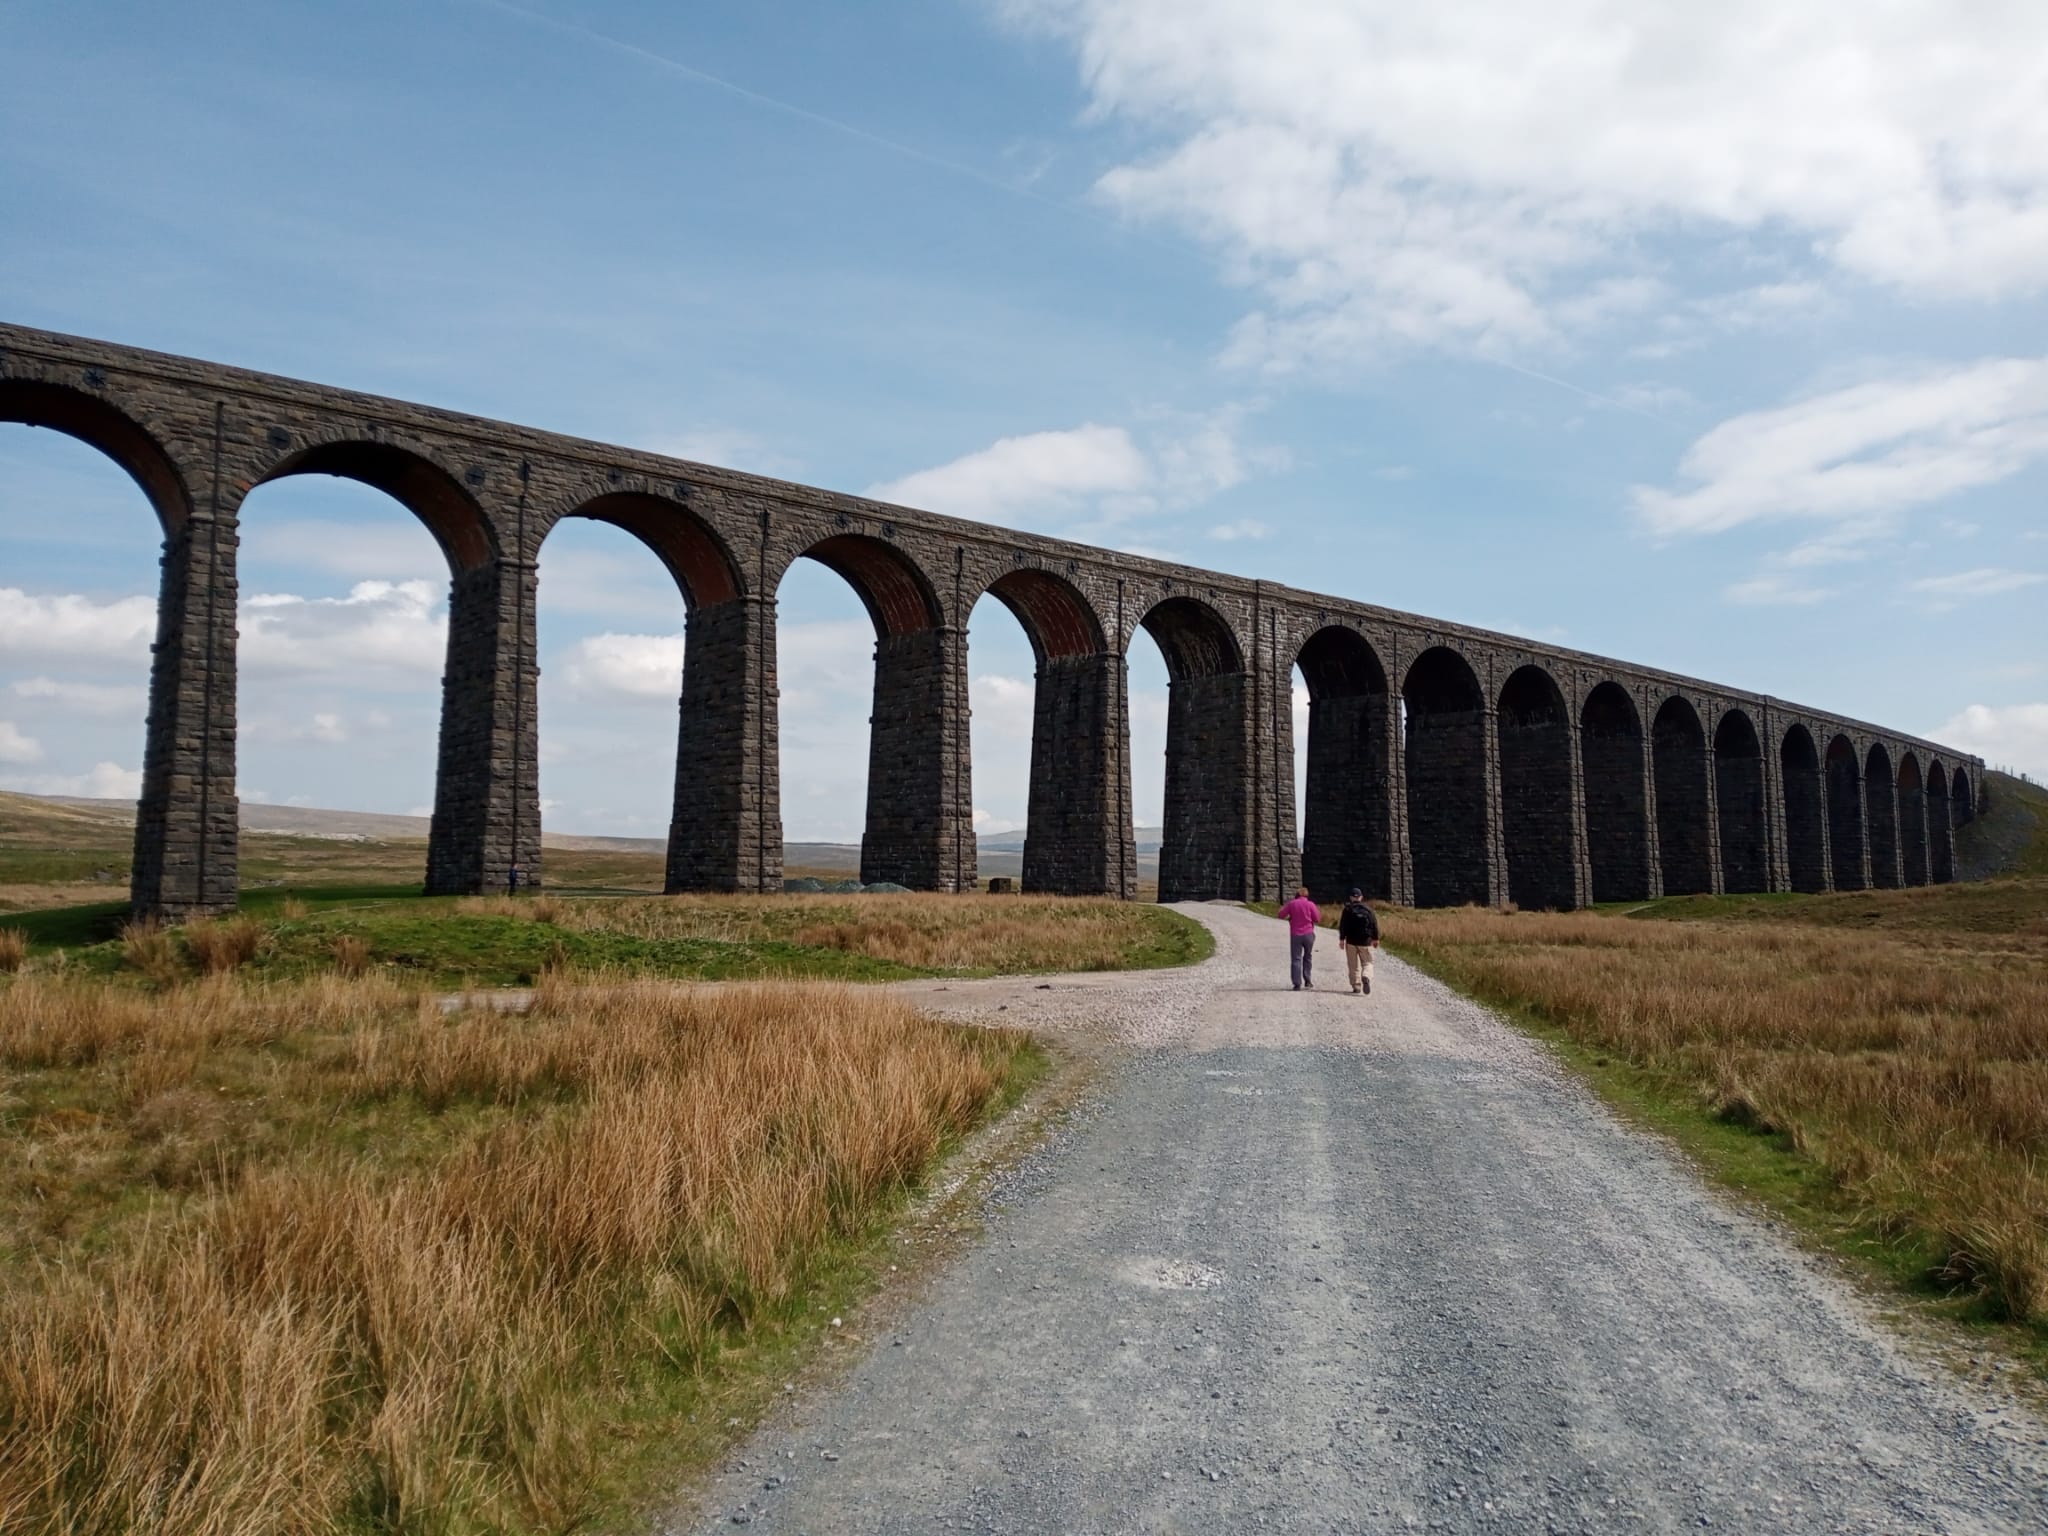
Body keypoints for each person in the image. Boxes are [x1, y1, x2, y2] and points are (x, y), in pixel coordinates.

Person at [1277, 886, 1322, 990]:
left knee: (1296, 958)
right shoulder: (1310, 904)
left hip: (1296, 934)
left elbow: (1280, 915)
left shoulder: (1292, 904)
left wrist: (1290, 916)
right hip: (1308, 934)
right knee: (1308, 956)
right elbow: (1317, 919)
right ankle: (1307, 980)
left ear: (1297, 895)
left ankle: (1297, 983)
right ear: (1307, 895)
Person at [1338, 888, 1380, 995]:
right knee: (1368, 963)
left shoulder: (1347, 909)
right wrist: (1376, 938)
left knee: (1353, 965)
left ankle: (1356, 985)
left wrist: (1342, 939)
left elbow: (1343, 925)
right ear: (1361, 897)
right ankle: (1366, 975)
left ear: (1351, 898)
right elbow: (1374, 924)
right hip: (1365, 941)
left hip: (1351, 941)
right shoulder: (1368, 909)